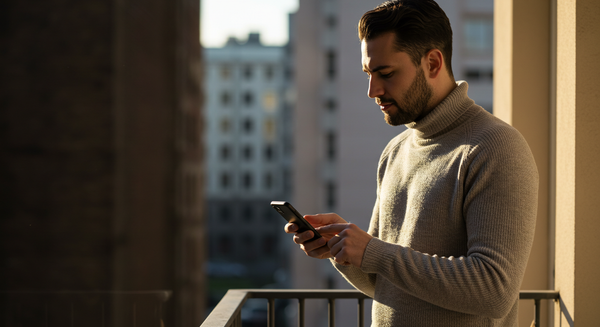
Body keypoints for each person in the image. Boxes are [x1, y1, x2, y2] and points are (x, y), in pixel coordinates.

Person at [284, 0, 539, 326]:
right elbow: (385, 284)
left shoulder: (495, 148)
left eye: (385, 73)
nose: (372, 90)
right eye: (368, 74)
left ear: (432, 62)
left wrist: (374, 252)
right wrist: (342, 252)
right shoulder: (396, 150)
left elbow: (494, 292)